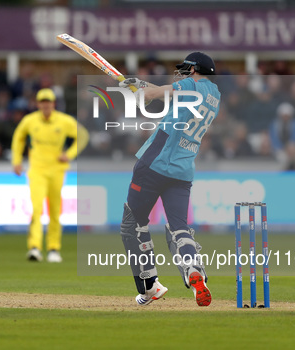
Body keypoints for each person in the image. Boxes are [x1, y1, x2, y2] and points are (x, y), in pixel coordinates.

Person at [117, 52, 220, 307]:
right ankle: (193, 271)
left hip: (154, 164)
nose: (182, 73)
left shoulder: (190, 84)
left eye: (186, 69)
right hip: (183, 170)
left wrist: (135, 84)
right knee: (179, 228)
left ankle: (150, 285)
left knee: (133, 225)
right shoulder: (215, 95)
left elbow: (153, 94)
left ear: (195, 69)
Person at [11, 89, 88, 263]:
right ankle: (34, 247)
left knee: (55, 211)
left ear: (54, 103)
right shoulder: (30, 121)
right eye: (42, 101)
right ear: (38, 104)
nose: (46, 105)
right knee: (36, 209)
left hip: (57, 171)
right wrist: (16, 160)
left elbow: (82, 136)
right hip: (37, 171)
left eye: (49, 101)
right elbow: (18, 137)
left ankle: (54, 249)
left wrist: (68, 155)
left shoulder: (64, 121)